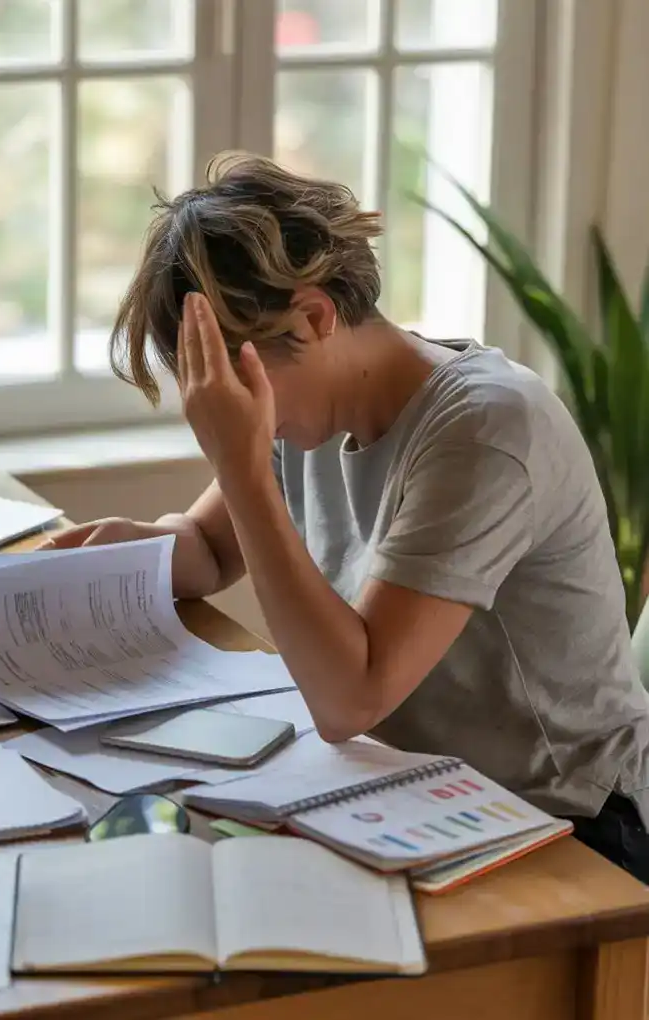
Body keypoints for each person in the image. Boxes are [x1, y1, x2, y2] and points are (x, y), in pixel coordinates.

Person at [41, 152, 649, 881]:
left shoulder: (486, 431)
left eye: (234, 378)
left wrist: (239, 461)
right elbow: (207, 543)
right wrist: (113, 557)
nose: (234, 409)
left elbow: (349, 697)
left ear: (317, 316)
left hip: (573, 829)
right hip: (415, 797)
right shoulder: (306, 409)